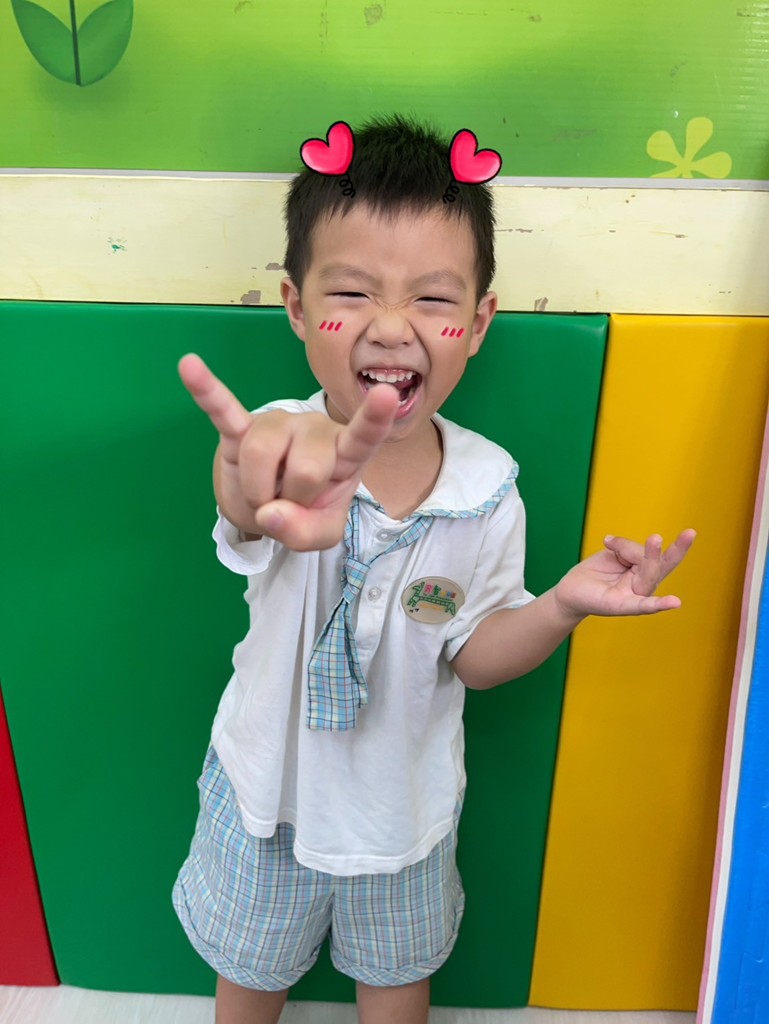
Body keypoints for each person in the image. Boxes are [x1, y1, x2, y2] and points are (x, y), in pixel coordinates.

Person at [173, 115, 695, 1024]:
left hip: (401, 819)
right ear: (295, 307)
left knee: (397, 983)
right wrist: (256, 478)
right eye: (351, 293)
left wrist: (561, 606)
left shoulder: (487, 491)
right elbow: (248, 501)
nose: (390, 327)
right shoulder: (281, 443)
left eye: (431, 299)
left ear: (477, 323)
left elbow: (475, 659)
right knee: (249, 979)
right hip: (264, 798)